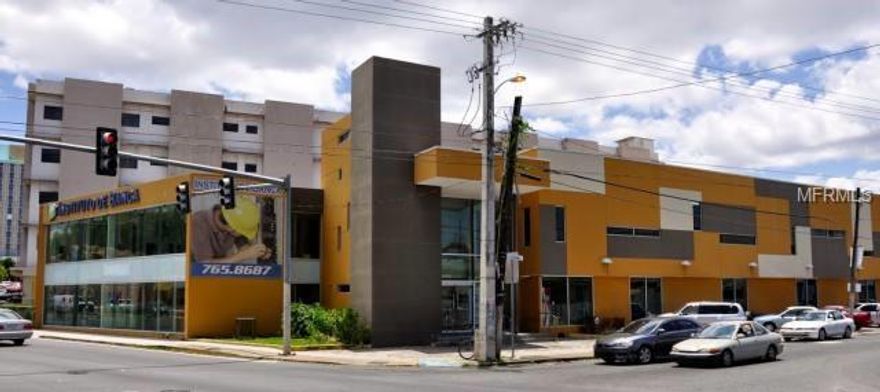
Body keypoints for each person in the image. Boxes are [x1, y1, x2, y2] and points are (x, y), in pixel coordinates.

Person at [192, 196, 273, 264]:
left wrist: (257, 251)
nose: (243, 235)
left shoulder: (230, 218)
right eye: (242, 232)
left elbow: (242, 244)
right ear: (231, 228)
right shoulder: (198, 225)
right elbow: (204, 266)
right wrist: (242, 256)